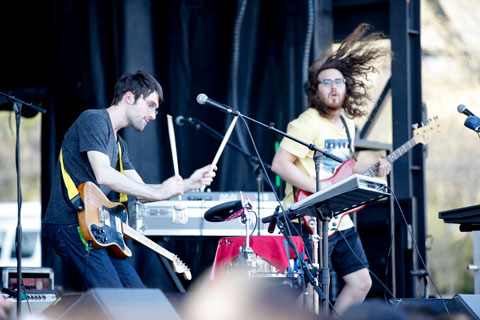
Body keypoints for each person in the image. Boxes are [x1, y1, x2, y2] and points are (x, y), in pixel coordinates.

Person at [42, 70, 216, 289]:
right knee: (116, 300)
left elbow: (141, 193)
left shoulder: (119, 145)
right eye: (151, 105)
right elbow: (103, 174)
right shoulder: (94, 119)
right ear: (129, 97)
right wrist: (159, 191)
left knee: (138, 295)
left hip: (98, 228)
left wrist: (190, 184)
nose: (154, 115)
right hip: (70, 224)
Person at [271, 24, 391, 314]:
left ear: (347, 87)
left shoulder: (349, 126)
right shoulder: (306, 123)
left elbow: (345, 167)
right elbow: (280, 163)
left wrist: (374, 169)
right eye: (326, 82)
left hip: (339, 217)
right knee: (311, 292)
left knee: (361, 282)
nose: (334, 87)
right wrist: (320, 190)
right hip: (306, 216)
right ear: (316, 90)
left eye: (339, 81)